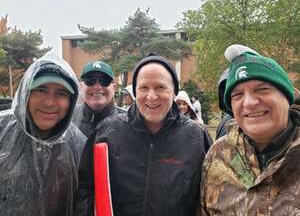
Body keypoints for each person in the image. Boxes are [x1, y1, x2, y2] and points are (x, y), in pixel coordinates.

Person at [75, 53, 212, 216]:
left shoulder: (196, 137)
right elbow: (85, 190)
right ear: (135, 92)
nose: (151, 96)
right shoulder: (108, 132)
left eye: (160, 87)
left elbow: (208, 197)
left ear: (174, 91)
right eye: (144, 88)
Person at [200, 44, 300, 216]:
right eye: (237, 95)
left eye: (262, 89)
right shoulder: (217, 155)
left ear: (287, 96)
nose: (249, 102)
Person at [0, 54, 86, 216]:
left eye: (61, 93)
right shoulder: (3, 132)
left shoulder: (79, 146)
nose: (49, 102)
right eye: (40, 90)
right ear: (26, 93)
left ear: (72, 100)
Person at [72, 61, 125, 137]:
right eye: (90, 80)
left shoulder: (129, 122)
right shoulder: (67, 120)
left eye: (104, 81)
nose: (97, 86)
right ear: (81, 87)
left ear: (113, 88)